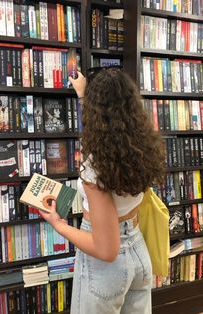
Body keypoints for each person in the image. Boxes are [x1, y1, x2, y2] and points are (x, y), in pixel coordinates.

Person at [39, 67, 165, 314]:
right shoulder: (140, 148)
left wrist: (59, 225)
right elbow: (106, 131)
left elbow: (106, 249)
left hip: (107, 268)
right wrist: (84, 95)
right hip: (139, 252)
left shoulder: (96, 167)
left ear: (96, 112)